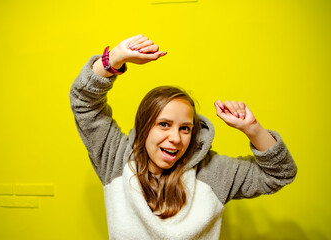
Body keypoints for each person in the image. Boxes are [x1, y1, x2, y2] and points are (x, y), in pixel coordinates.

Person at [70, 34, 297, 240]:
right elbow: (84, 101)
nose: (176, 138)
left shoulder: (214, 173)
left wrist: (253, 129)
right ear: (144, 127)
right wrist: (116, 57)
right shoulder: (116, 159)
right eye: (164, 124)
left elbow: (280, 173)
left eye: (185, 128)